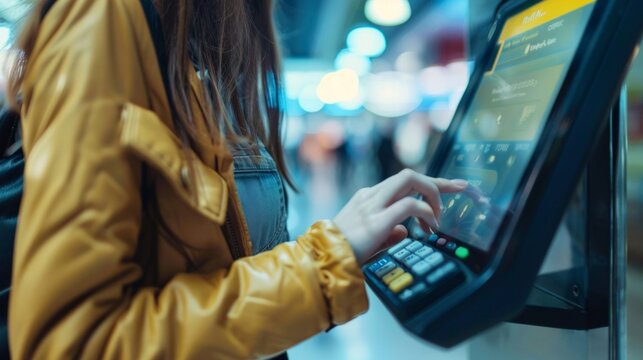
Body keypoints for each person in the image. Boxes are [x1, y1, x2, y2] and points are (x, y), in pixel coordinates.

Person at [6, 0, 467, 359]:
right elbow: (72, 343)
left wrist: (337, 248)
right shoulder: (103, 22)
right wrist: (323, 264)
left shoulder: (184, 53)